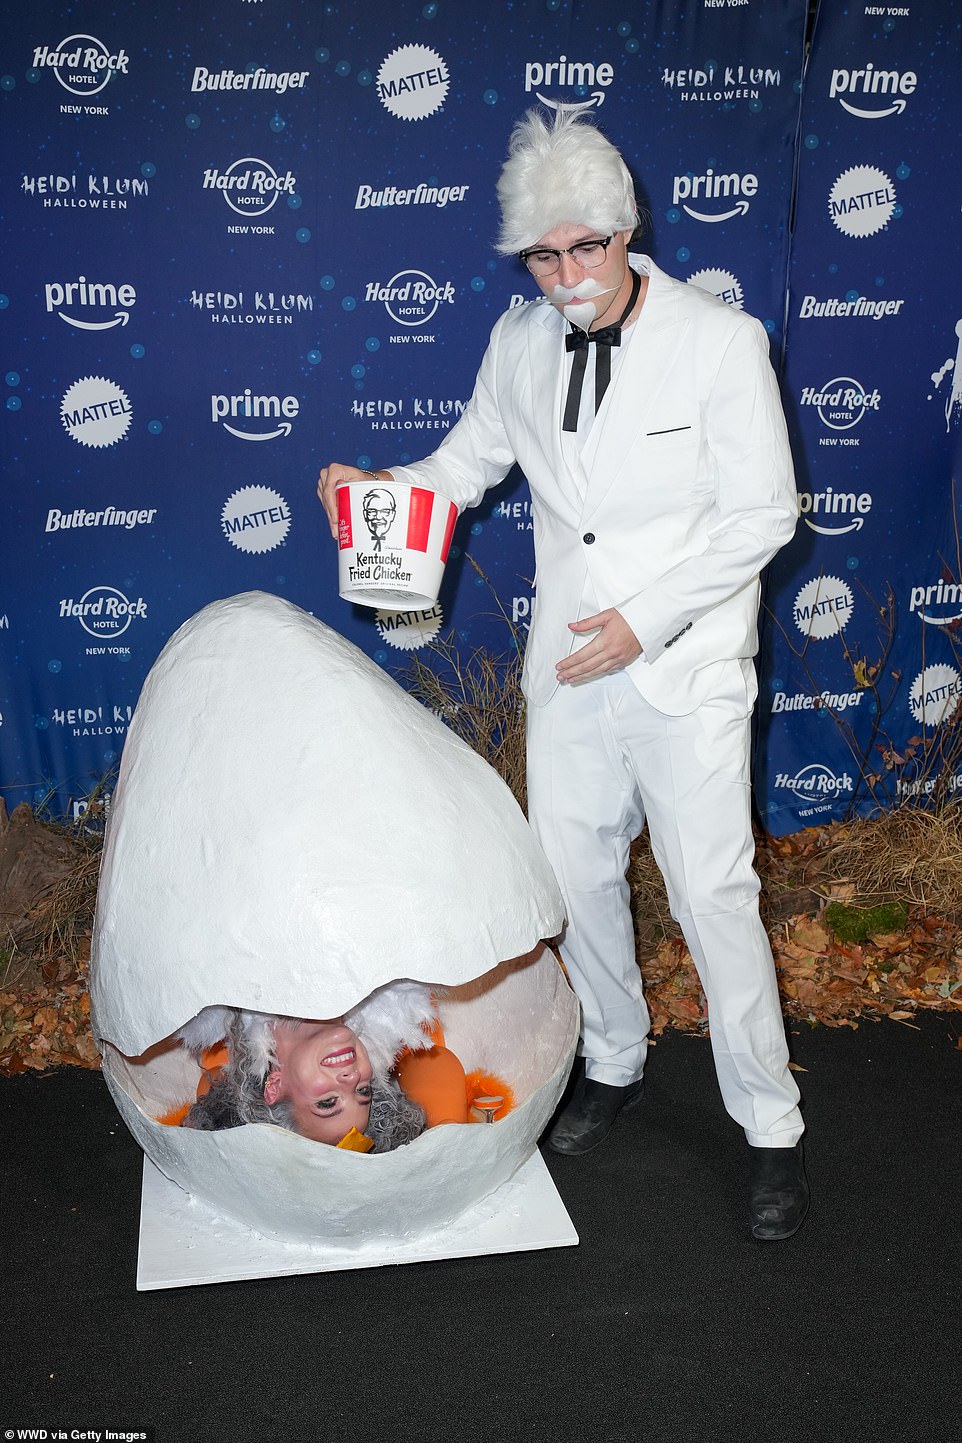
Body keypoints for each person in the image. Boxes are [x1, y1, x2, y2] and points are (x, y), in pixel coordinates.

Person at [318, 109, 809, 1240]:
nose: (566, 274)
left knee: (712, 898)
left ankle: (770, 1126)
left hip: (683, 672)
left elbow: (760, 516)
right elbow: (466, 461)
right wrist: (378, 489)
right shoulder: (518, 340)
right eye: (542, 256)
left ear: (626, 232)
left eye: (585, 247)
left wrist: (644, 621)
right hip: (568, 681)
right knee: (576, 883)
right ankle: (615, 1059)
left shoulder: (717, 341)